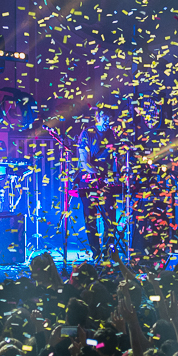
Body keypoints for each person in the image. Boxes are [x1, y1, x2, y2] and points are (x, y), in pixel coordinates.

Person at [76, 107, 119, 264]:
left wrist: (114, 175)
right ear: (97, 118)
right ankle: (96, 253)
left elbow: (114, 158)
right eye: (105, 119)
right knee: (91, 217)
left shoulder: (111, 135)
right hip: (89, 181)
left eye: (109, 119)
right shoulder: (87, 134)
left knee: (110, 216)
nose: (108, 122)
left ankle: (108, 252)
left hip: (106, 181)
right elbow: (84, 162)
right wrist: (99, 175)